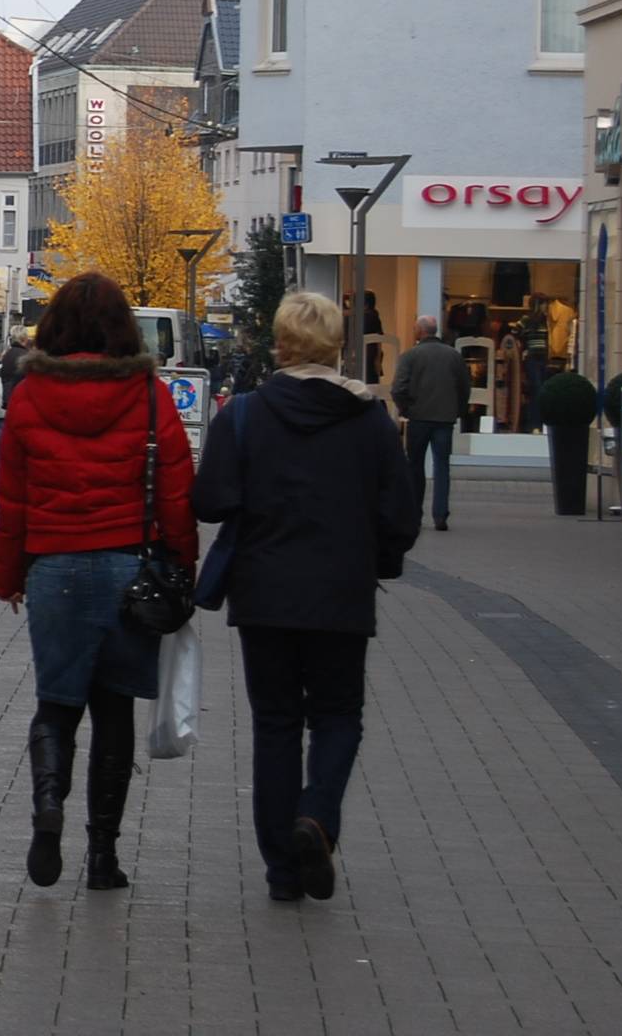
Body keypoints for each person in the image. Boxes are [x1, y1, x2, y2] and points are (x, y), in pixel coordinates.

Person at [194, 292, 420, 903]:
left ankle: (282, 870)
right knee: (338, 716)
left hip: (264, 592)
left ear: (281, 342)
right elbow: (400, 510)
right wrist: (380, 556)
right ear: (336, 344)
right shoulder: (369, 419)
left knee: (274, 725)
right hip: (341, 592)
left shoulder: (243, 414)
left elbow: (209, 500)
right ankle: (316, 817)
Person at [0, 273, 197, 892]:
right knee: (114, 714)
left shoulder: (28, 396)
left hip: (53, 569)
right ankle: (102, 857)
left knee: (56, 707)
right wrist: (182, 565)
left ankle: (48, 806)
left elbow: (12, 500)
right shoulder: (151, 395)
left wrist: (8, 577)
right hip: (129, 569)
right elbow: (179, 492)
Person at [387, 314, 472, 532]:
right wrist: (458, 410)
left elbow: (398, 388)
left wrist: (406, 408)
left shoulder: (410, 356)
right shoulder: (453, 356)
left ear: (421, 331)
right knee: (442, 466)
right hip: (445, 419)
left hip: (418, 418)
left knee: (415, 466)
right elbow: (464, 387)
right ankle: (440, 515)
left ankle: (415, 514)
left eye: (415, 327)